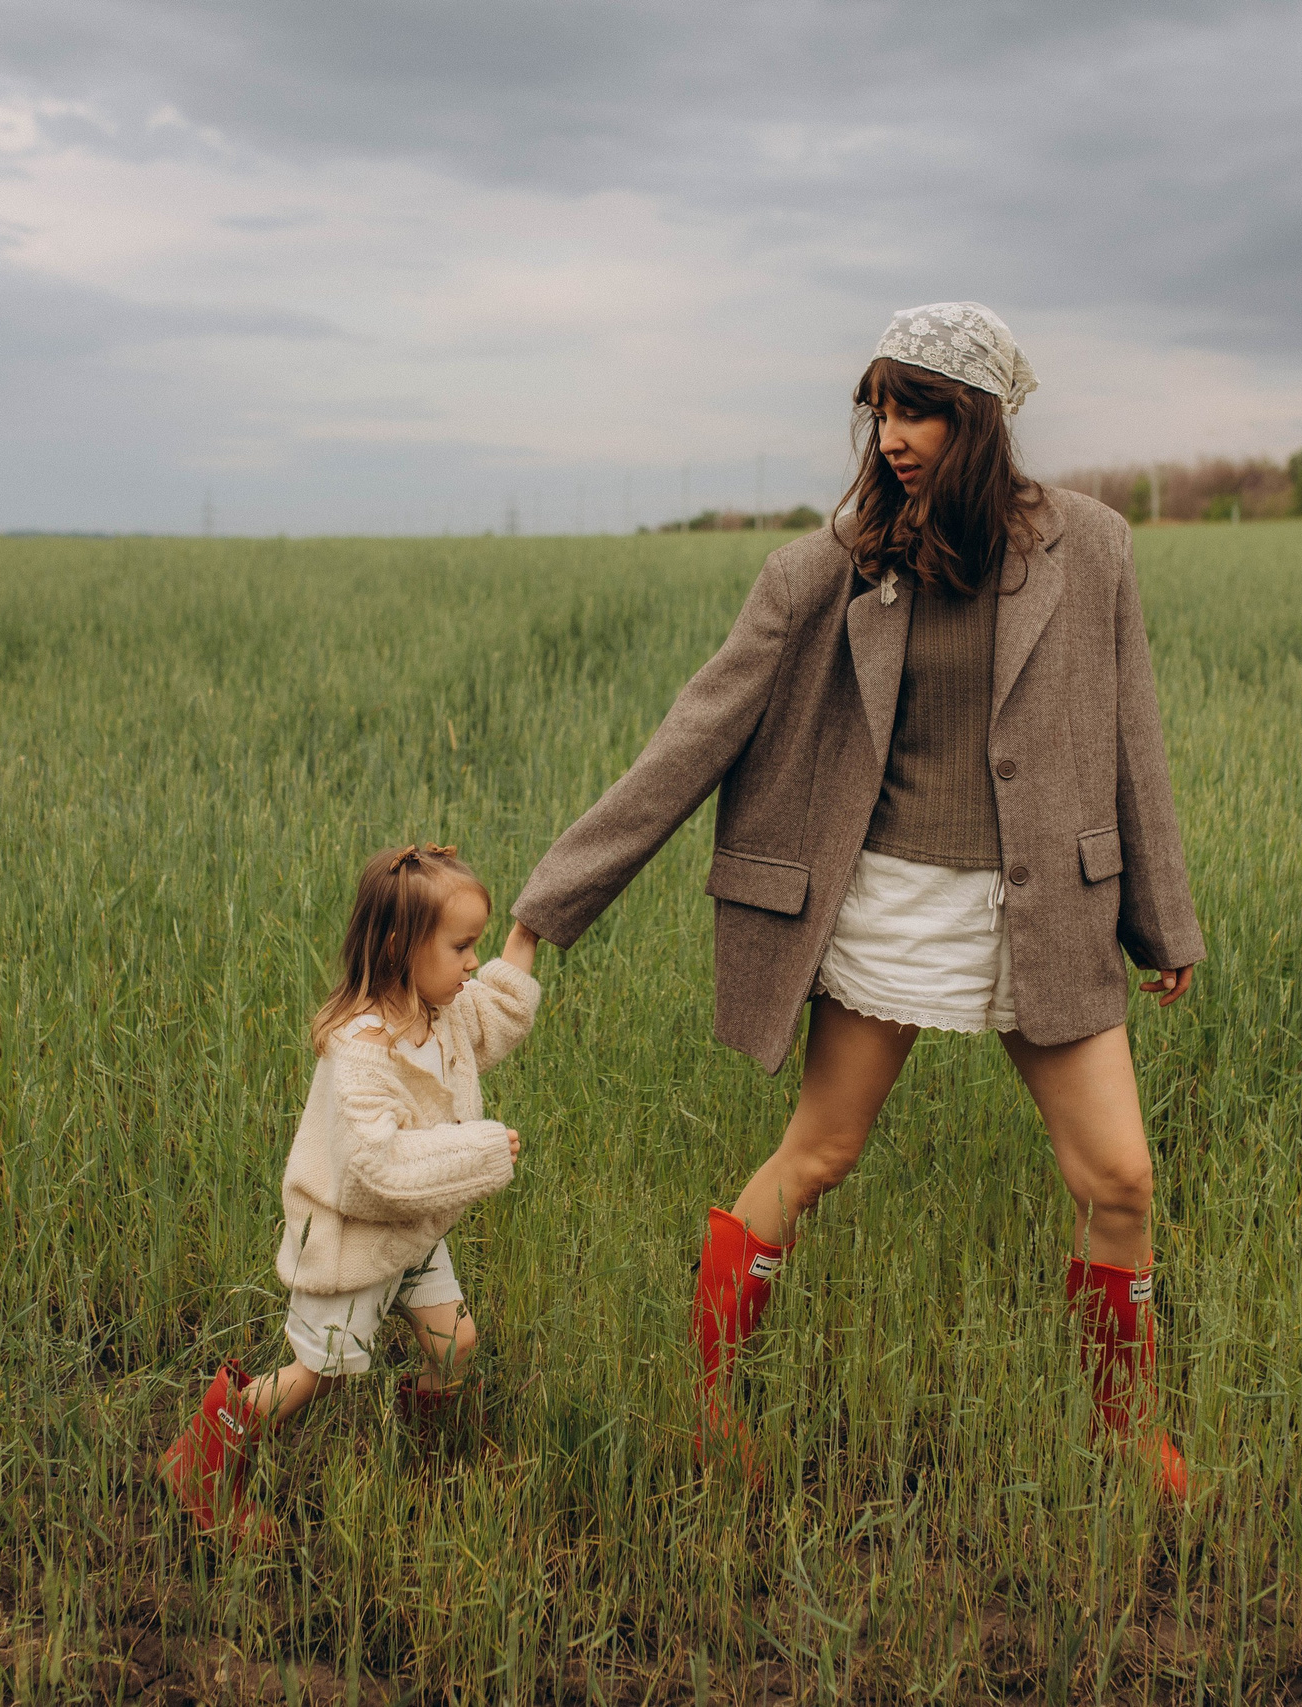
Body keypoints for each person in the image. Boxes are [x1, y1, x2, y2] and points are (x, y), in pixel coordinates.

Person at [505, 303, 1205, 1495]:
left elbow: (1131, 733)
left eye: (919, 406)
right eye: (880, 406)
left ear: (979, 419)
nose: (891, 433)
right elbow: (691, 739)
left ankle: (1127, 1429)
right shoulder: (823, 572)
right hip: (883, 907)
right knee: (819, 1152)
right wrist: (538, 917)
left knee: (1121, 1179)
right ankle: (712, 1405)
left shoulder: (1091, 549)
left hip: (1046, 912)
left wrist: (1163, 920)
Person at [162, 844, 539, 1541]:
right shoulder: (360, 1050)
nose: (471, 965)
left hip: (411, 1232)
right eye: (461, 946)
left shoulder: (440, 1010)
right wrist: (481, 1148)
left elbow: (499, 1013)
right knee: (317, 1374)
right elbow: (376, 1169)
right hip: (350, 1238)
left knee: (455, 1344)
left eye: (477, 946)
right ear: (400, 945)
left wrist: (528, 932)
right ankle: (203, 1463)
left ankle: (434, 1469)